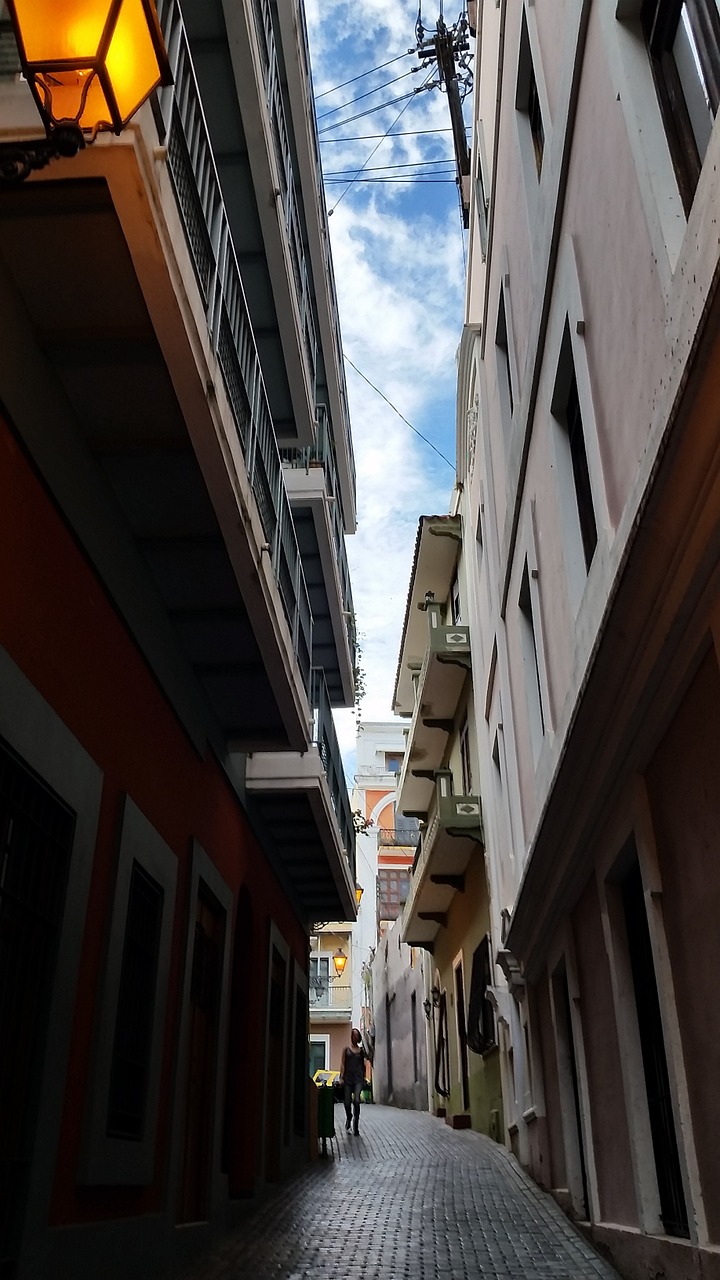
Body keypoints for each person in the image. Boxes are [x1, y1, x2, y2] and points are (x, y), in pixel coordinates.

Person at [340, 1028, 366, 1135]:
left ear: (358, 1037)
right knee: (347, 1102)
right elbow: (342, 1064)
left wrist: (364, 1077)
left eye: (356, 1035)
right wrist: (341, 1076)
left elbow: (363, 1065)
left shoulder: (361, 1052)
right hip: (348, 1079)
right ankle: (349, 1116)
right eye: (353, 1035)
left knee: (356, 1100)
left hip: (358, 1079)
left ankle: (356, 1123)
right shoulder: (346, 1050)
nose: (354, 1037)